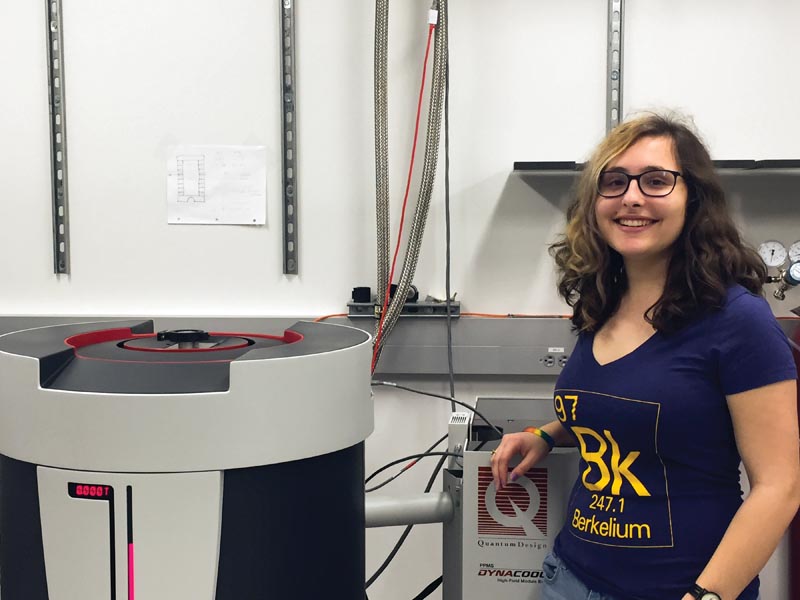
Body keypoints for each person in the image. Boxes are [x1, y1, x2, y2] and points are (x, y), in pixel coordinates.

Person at [491, 112, 800, 600]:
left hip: (684, 589)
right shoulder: (602, 301)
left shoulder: (738, 321)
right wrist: (545, 435)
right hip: (568, 577)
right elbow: (622, 406)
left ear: (692, 198)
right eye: (614, 182)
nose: (632, 197)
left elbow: (780, 486)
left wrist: (707, 596)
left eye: (656, 181)